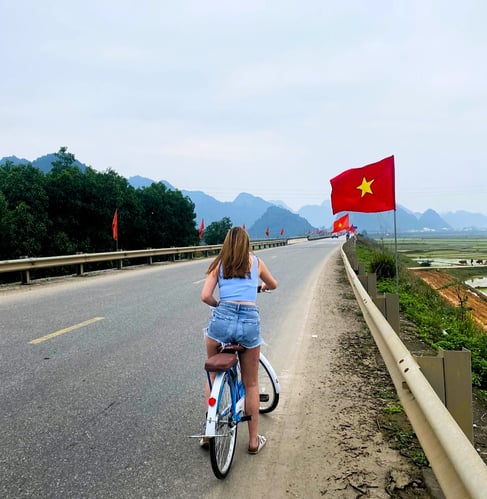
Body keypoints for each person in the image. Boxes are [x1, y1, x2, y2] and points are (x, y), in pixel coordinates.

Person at [200, 226, 278, 454]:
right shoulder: (256, 262)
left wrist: (220, 306)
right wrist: (261, 287)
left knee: (212, 374)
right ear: (247, 243)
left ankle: (209, 429)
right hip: (248, 323)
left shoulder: (219, 263)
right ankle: (253, 441)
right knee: (251, 383)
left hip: (221, 321)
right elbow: (273, 284)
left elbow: (205, 296)